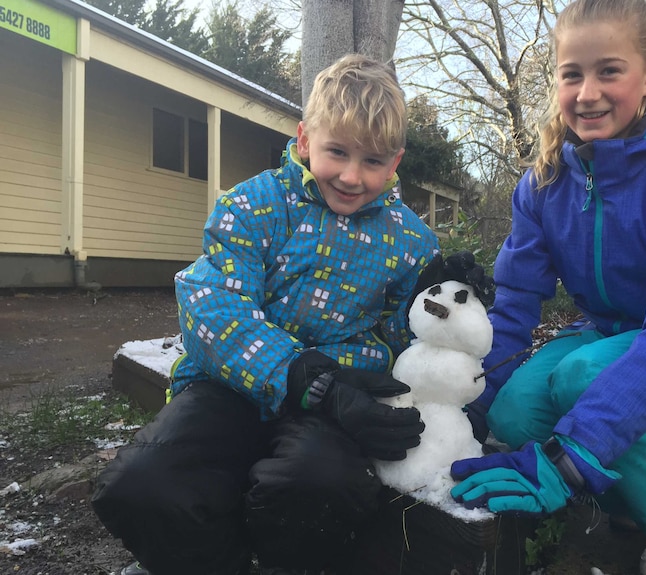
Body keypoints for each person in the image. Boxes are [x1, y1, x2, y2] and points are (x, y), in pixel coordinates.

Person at [91, 54, 490, 575]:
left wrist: (443, 298)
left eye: (372, 161)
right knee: (141, 484)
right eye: (337, 152)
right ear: (305, 140)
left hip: (336, 402)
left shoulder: (412, 239)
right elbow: (212, 307)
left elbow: (403, 337)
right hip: (229, 387)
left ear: (395, 163)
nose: (351, 176)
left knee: (318, 482)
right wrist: (301, 375)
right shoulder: (252, 206)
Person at [450, 1, 646, 574]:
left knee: (584, 378)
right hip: (605, 332)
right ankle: (632, 499)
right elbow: (513, 308)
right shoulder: (543, 183)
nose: (587, 92)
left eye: (609, 70)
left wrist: (569, 464)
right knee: (515, 412)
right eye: (572, 74)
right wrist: (467, 415)